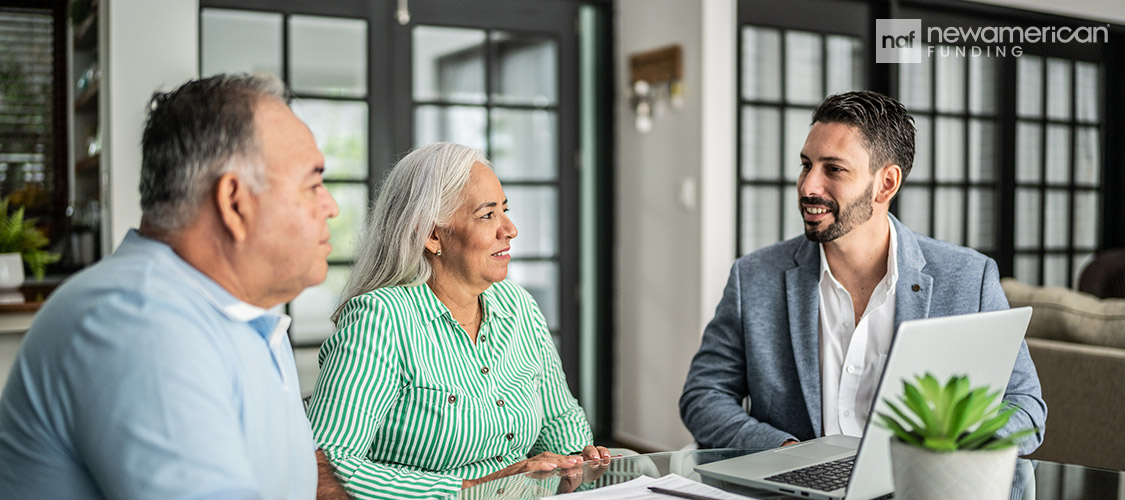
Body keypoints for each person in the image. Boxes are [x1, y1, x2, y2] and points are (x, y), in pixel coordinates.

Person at [0, 74, 347, 498]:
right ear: (235, 202)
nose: (331, 206)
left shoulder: (241, 312)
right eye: (313, 184)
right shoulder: (137, 320)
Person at [679, 91, 1047, 455]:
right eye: (806, 164)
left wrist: (936, 455)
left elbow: (1025, 408)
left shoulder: (970, 279)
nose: (808, 186)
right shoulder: (754, 277)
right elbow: (704, 395)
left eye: (834, 169)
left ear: (886, 183)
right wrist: (785, 450)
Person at [307, 142, 610, 499]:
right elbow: (325, 464)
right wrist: (474, 489)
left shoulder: (518, 307)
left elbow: (559, 418)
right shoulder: (381, 319)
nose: (510, 229)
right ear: (433, 235)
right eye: (487, 215)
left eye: (505, 210)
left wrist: (581, 458)